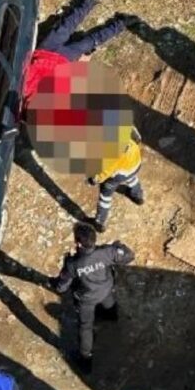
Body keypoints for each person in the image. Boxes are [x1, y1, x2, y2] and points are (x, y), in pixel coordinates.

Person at [22, 0, 128, 114]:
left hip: (44, 52)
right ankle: (120, 24)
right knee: (87, 42)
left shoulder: (19, 99)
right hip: (62, 60)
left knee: (66, 26)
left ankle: (90, 1)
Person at [50, 221, 135, 374]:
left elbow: (62, 287)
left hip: (87, 300)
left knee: (86, 327)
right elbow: (129, 256)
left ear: (78, 244)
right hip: (106, 289)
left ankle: (85, 360)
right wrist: (118, 246)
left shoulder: (73, 264)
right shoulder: (107, 252)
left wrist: (61, 276)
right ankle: (111, 317)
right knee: (108, 302)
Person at [88, 131, 144, 232]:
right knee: (132, 178)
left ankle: (99, 222)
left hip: (120, 174)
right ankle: (138, 196)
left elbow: (105, 172)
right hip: (135, 163)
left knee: (105, 196)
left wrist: (94, 179)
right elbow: (137, 137)